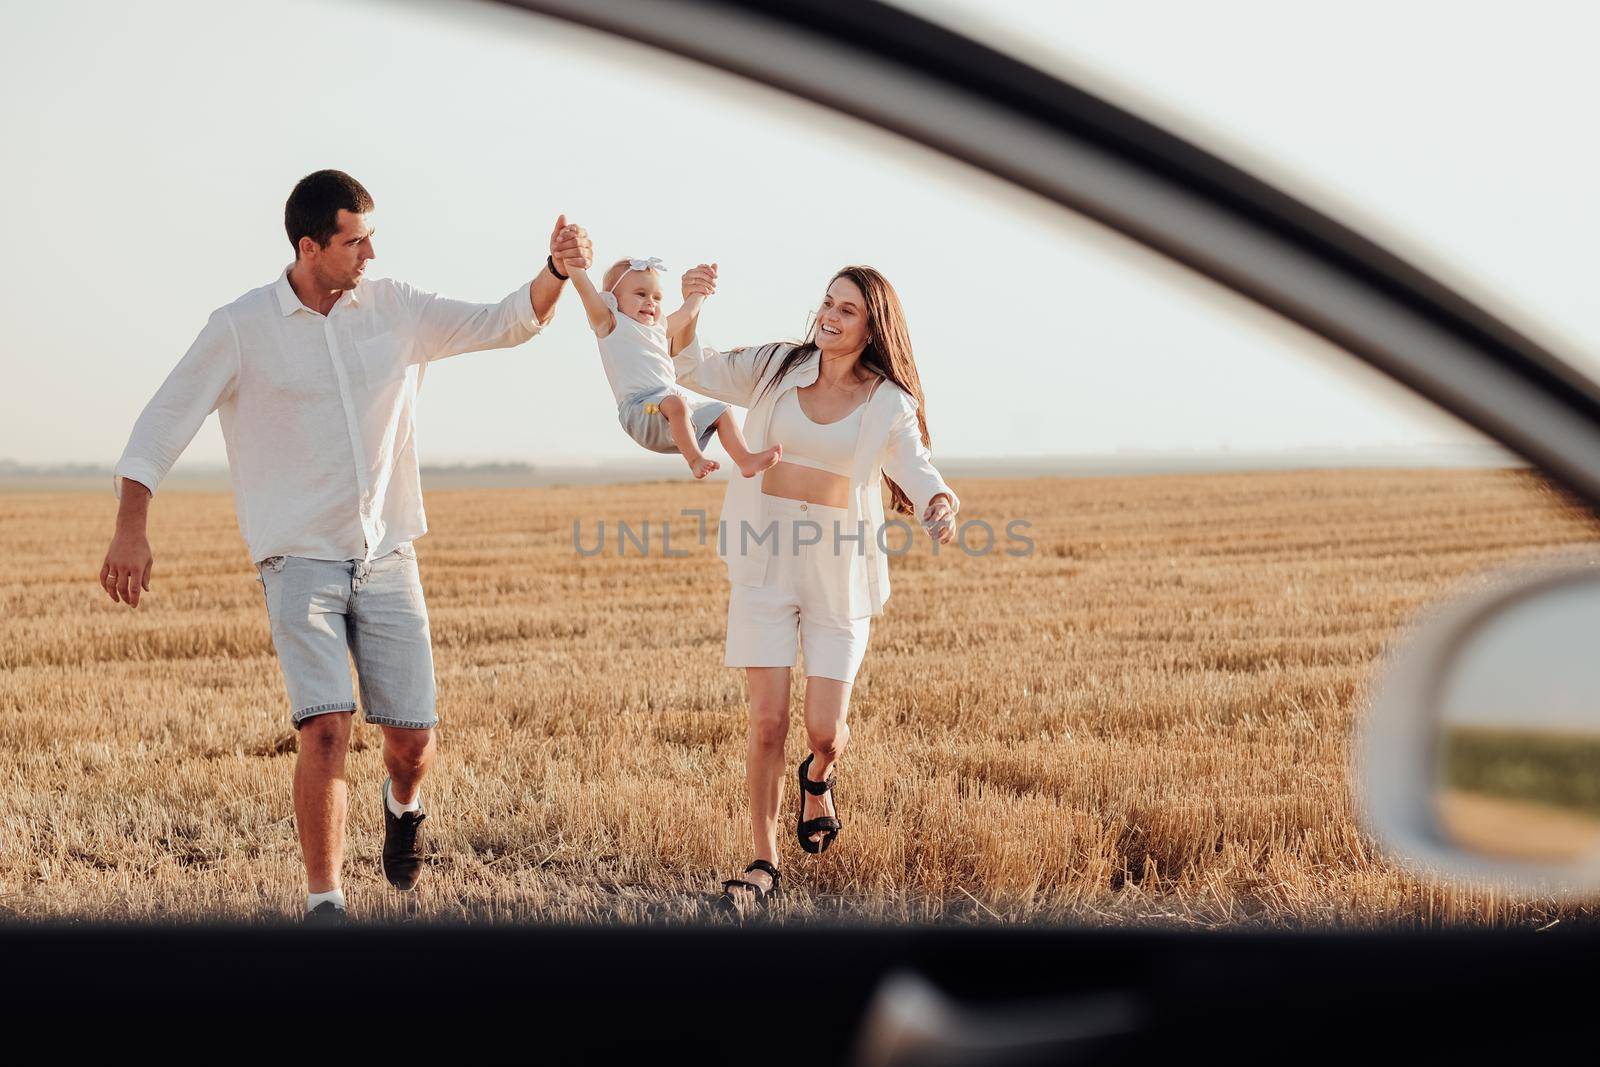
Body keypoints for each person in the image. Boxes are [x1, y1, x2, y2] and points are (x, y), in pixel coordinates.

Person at [98, 169, 593, 924]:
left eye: (372, 236)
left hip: (389, 553)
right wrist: (132, 524)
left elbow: (505, 321)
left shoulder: (396, 307)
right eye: (355, 240)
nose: (371, 252)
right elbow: (163, 419)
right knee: (326, 727)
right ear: (309, 246)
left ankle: (404, 805)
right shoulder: (240, 326)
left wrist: (555, 270)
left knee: (411, 741)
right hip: (297, 558)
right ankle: (325, 903)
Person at [670, 264, 959, 910]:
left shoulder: (888, 401)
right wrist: (690, 304)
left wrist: (939, 499)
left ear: (872, 325)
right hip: (764, 564)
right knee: (767, 720)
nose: (829, 315)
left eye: (847, 309)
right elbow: (691, 365)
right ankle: (763, 861)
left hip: (839, 573)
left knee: (823, 729)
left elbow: (915, 463)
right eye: (827, 302)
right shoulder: (777, 365)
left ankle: (820, 775)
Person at [566, 252, 781, 479]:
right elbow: (585, 290)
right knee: (675, 403)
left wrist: (701, 291)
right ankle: (696, 460)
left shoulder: (658, 329)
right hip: (640, 410)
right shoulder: (610, 324)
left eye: (657, 297)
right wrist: (573, 266)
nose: (650, 302)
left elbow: (687, 314)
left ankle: (745, 459)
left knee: (722, 410)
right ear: (612, 299)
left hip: (670, 409)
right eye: (641, 294)